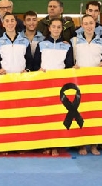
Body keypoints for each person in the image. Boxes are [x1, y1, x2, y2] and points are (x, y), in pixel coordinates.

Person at [31, 17, 74, 156]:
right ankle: (45, 144)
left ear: (62, 29)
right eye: (53, 26)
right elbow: (35, 64)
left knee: (58, 116)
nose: (56, 29)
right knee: (44, 115)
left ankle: (55, 145)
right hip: (44, 85)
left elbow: (68, 66)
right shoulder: (41, 45)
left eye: (58, 27)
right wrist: (38, 71)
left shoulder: (67, 46)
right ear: (49, 28)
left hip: (60, 86)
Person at [72, 14, 102, 155]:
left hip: (96, 83)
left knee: (94, 114)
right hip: (79, 83)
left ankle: (94, 144)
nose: (89, 26)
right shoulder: (74, 41)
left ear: (95, 25)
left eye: (91, 23)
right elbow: (70, 61)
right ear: (82, 25)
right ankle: (81, 145)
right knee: (80, 114)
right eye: (86, 23)